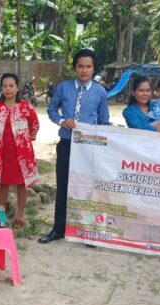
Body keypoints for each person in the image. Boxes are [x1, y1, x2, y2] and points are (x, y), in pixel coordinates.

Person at [40, 48, 110, 244]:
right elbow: (52, 109)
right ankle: (58, 229)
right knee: (63, 187)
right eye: (80, 66)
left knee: (88, 188)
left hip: (89, 148)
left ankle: (87, 231)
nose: (84, 70)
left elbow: (104, 121)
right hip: (67, 144)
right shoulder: (63, 88)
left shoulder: (100, 92)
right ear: (75, 68)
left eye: (88, 66)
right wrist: (62, 120)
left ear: (94, 68)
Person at [0, 73, 40, 228]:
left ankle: (20, 215)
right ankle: (0, 216)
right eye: (5, 86)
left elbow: (35, 124)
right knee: (2, 185)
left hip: (23, 154)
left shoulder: (26, 107)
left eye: (11, 86)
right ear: (1, 89)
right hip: (4, 153)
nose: (8, 89)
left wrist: (27, 140)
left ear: (17, 88)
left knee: (22, 184)